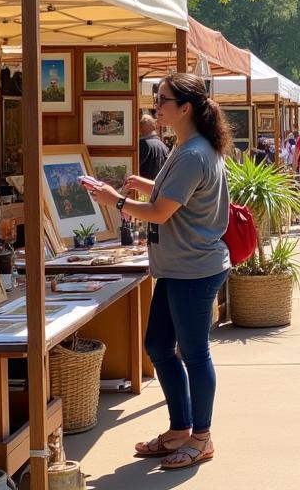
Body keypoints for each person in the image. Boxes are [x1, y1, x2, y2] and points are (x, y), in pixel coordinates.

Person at [89, 73, 230, 469]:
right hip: (179, 266)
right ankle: (180, 429)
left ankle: (200, 436)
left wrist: (115, 200)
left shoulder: (192, 152)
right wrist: (147, 185)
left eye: (162, 99)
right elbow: (181, 198)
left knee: (193, 353)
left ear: (185, 108)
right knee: (158, 346)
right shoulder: (189, 147)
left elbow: (162, 212)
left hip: (192, 268)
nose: (156, 105)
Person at [138, 113, 169, 180]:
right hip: (157, 185)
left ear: (142, 127)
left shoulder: (144, 143)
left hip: (143, 186)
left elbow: (134, 165)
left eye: (140, 126)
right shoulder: (162, 145)